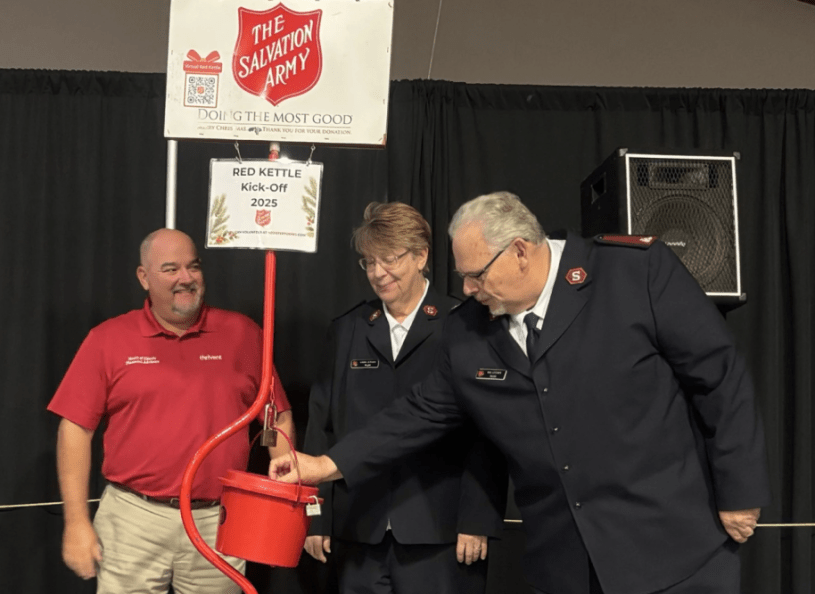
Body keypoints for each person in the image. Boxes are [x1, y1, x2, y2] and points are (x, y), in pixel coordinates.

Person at [271, 192, 772, 594]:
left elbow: (719, 378)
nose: (466, 288)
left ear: (520, 250)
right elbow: (418, 412)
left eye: (476, 274)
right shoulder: (468, 331)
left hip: (670, 546)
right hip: (566, 564)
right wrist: (323, 466)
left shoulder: (633, 273)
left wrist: (740, 492)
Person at [48, 228, 295, 594]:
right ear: (143, 277)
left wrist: (284, 496)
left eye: (193, 267)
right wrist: (76, 522)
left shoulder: (242, 333)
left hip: (218, 519)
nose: (185, 278)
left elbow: (276, 416)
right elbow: (74, 429)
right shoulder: (108, 339)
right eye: (170, 269)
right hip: (133, 519)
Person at [302, 202, 507, 594]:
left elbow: (489, 431)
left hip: (442, 531)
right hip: (359, 528)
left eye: (390, 259)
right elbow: (321, 426)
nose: (379, 274)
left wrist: (478, 518)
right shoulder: (347, 330)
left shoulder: (467, 324)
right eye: (368, 262)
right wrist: (317, 517)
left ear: (421, 256)